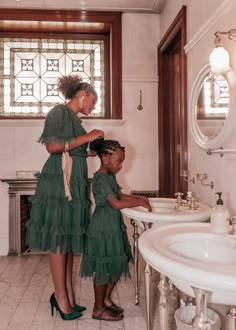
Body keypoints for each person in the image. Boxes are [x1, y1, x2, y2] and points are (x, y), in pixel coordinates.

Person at [26, 75, 104, 321]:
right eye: (92, 101)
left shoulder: (74, 120)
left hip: (74, 178)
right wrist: (88, 136)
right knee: (59, 238)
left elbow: (72, 146)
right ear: (81, 94)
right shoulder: (59, 112)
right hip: (60, 179)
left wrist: (89, 151)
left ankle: (68, 295)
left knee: (68, 238)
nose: (93, 106)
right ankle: (61, 298)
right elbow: (53, 146)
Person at [80, 138, 152, 321]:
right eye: (118, 161)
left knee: (118, 263)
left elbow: (119, 194)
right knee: (104, 268)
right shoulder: (100, 179)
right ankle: (98, 309)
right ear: (105, 159)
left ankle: (105, 299)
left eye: (122, 162)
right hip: (103, 227)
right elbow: (115, 203)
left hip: (112, 225)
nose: (120, 166)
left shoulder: (110, 175)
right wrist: (137, 202)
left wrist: (139, 198)